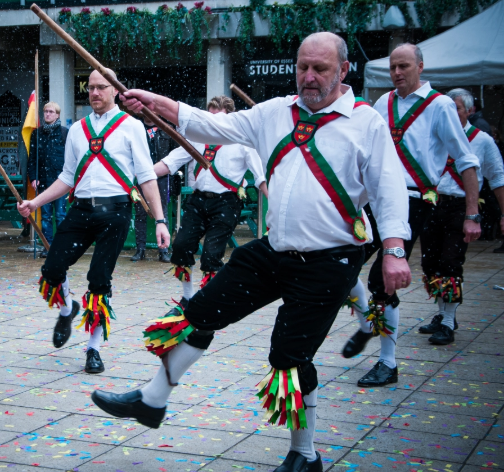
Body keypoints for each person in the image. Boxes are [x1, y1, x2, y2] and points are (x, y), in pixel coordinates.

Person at [93, 32, 411, 472]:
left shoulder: (366, 122)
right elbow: (210, 125)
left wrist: (394, 249)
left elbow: (389, 188)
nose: (309, 76)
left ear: (343, 70)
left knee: (289, 358)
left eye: (320, 68)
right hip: (274, 251)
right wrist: (154, 102)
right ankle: (152, 400)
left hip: (330, 261)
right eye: (302, 66)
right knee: (199, 312)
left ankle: (305, 455)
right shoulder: (275, 112)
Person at [341, 43, 479, 388]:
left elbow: (466, 160)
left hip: (413, 200)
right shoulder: (383, 103)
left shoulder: (441, 106)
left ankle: (388, 362)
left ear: (420, 66)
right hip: (373, 196)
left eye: (403, 66)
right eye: (392, 67)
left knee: (381, 279)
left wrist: (472, 213)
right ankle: (367, 324)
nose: (397, 73)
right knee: (340, 262)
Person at [17, 70, 169, 375]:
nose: (95, 93)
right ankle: (67, 309)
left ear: (115, 90)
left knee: (99, 280)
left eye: (101, 88)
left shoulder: (131, 126)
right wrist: (36, 202)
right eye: (91, 88)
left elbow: (146, 176)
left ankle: (94, 349)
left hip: (115, 212)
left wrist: (161, 220)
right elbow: (67, 177)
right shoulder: (77, 130)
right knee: (52, 269)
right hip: (82, 210)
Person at [157, 95, 267, 303]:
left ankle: (209, 301)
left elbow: (260, 177)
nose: (214, 124)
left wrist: (274, 201)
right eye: (210, 118)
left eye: (219, 119)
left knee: (211, 255)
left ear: (231, 118)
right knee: (181, 247)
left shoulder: (243, 142)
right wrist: (139, 177)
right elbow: (169, 163)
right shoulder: (197, 139)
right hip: (198, 201)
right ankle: (188, 298)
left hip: (227, 202)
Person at [418, 89, 504, 344]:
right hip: (432, 204)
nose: (452, 113)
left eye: (457, 108)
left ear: (469, 111)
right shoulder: (433, 135)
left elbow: (497, 178)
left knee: (451, 262)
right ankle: (443, 313)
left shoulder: (482, 140)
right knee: (429, 263)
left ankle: (447, 321)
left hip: (461, 206)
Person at [28, 101, 69, 250]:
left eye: (51, 112)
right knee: (45, 217)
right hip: (43, 181)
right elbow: (32, 158)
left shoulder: (64, 133)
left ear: (57, 115)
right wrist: (33, 177)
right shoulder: (37, 133)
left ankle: (61, 246)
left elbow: (70, 158)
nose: (47, 114)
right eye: (46, 111)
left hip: (60, 182)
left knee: (60, 215)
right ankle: (48, 246)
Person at [132, 122, 174, 264]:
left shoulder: (166, 129)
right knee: (140, 213)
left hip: (161, 177)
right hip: (140, 177)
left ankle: (163, 251)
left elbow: (175, 155)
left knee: (162, 213)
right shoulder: (136, 127)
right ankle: (140, 250)